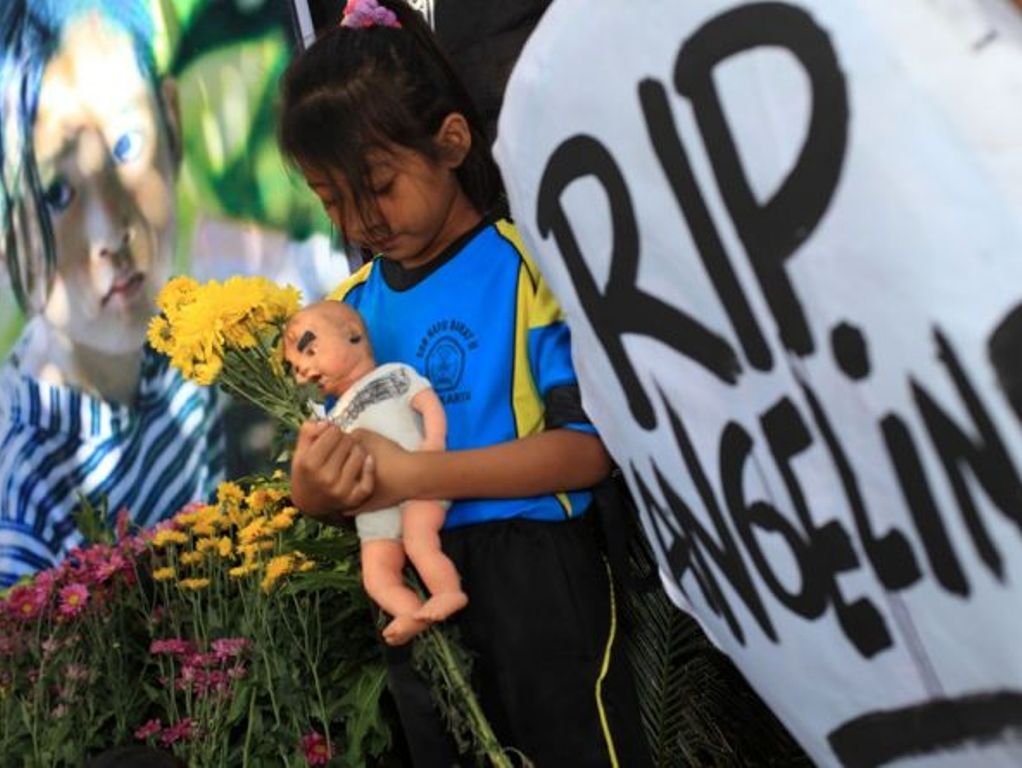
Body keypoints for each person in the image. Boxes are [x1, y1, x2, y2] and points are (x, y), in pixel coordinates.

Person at [277, 1, 651, 766]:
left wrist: (417, 475)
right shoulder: (349, 313)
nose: (359, 220)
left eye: (376, 186)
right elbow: (344, 473)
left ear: (451, 141)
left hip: (541, 577)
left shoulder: (527, 265)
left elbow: (586, 454)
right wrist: (314, 492)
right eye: (331, 199)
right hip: (416, 591)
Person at [0, 0, 224, 586]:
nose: (109, 231)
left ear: (171, 123)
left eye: (127, 145)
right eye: (55, 193)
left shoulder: (185, 349)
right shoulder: (23, 504)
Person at [284, 301, 467, 644]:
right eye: (294, 367)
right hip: (374, 511)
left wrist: (434, 441)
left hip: (420, 487)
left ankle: (448, 591)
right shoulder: (334, 415)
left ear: (352, 335)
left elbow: (427, 402)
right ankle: (409, 611)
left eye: (310, 351)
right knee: (376, 576)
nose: (303, 371)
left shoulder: (393, 375)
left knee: (419, 541)